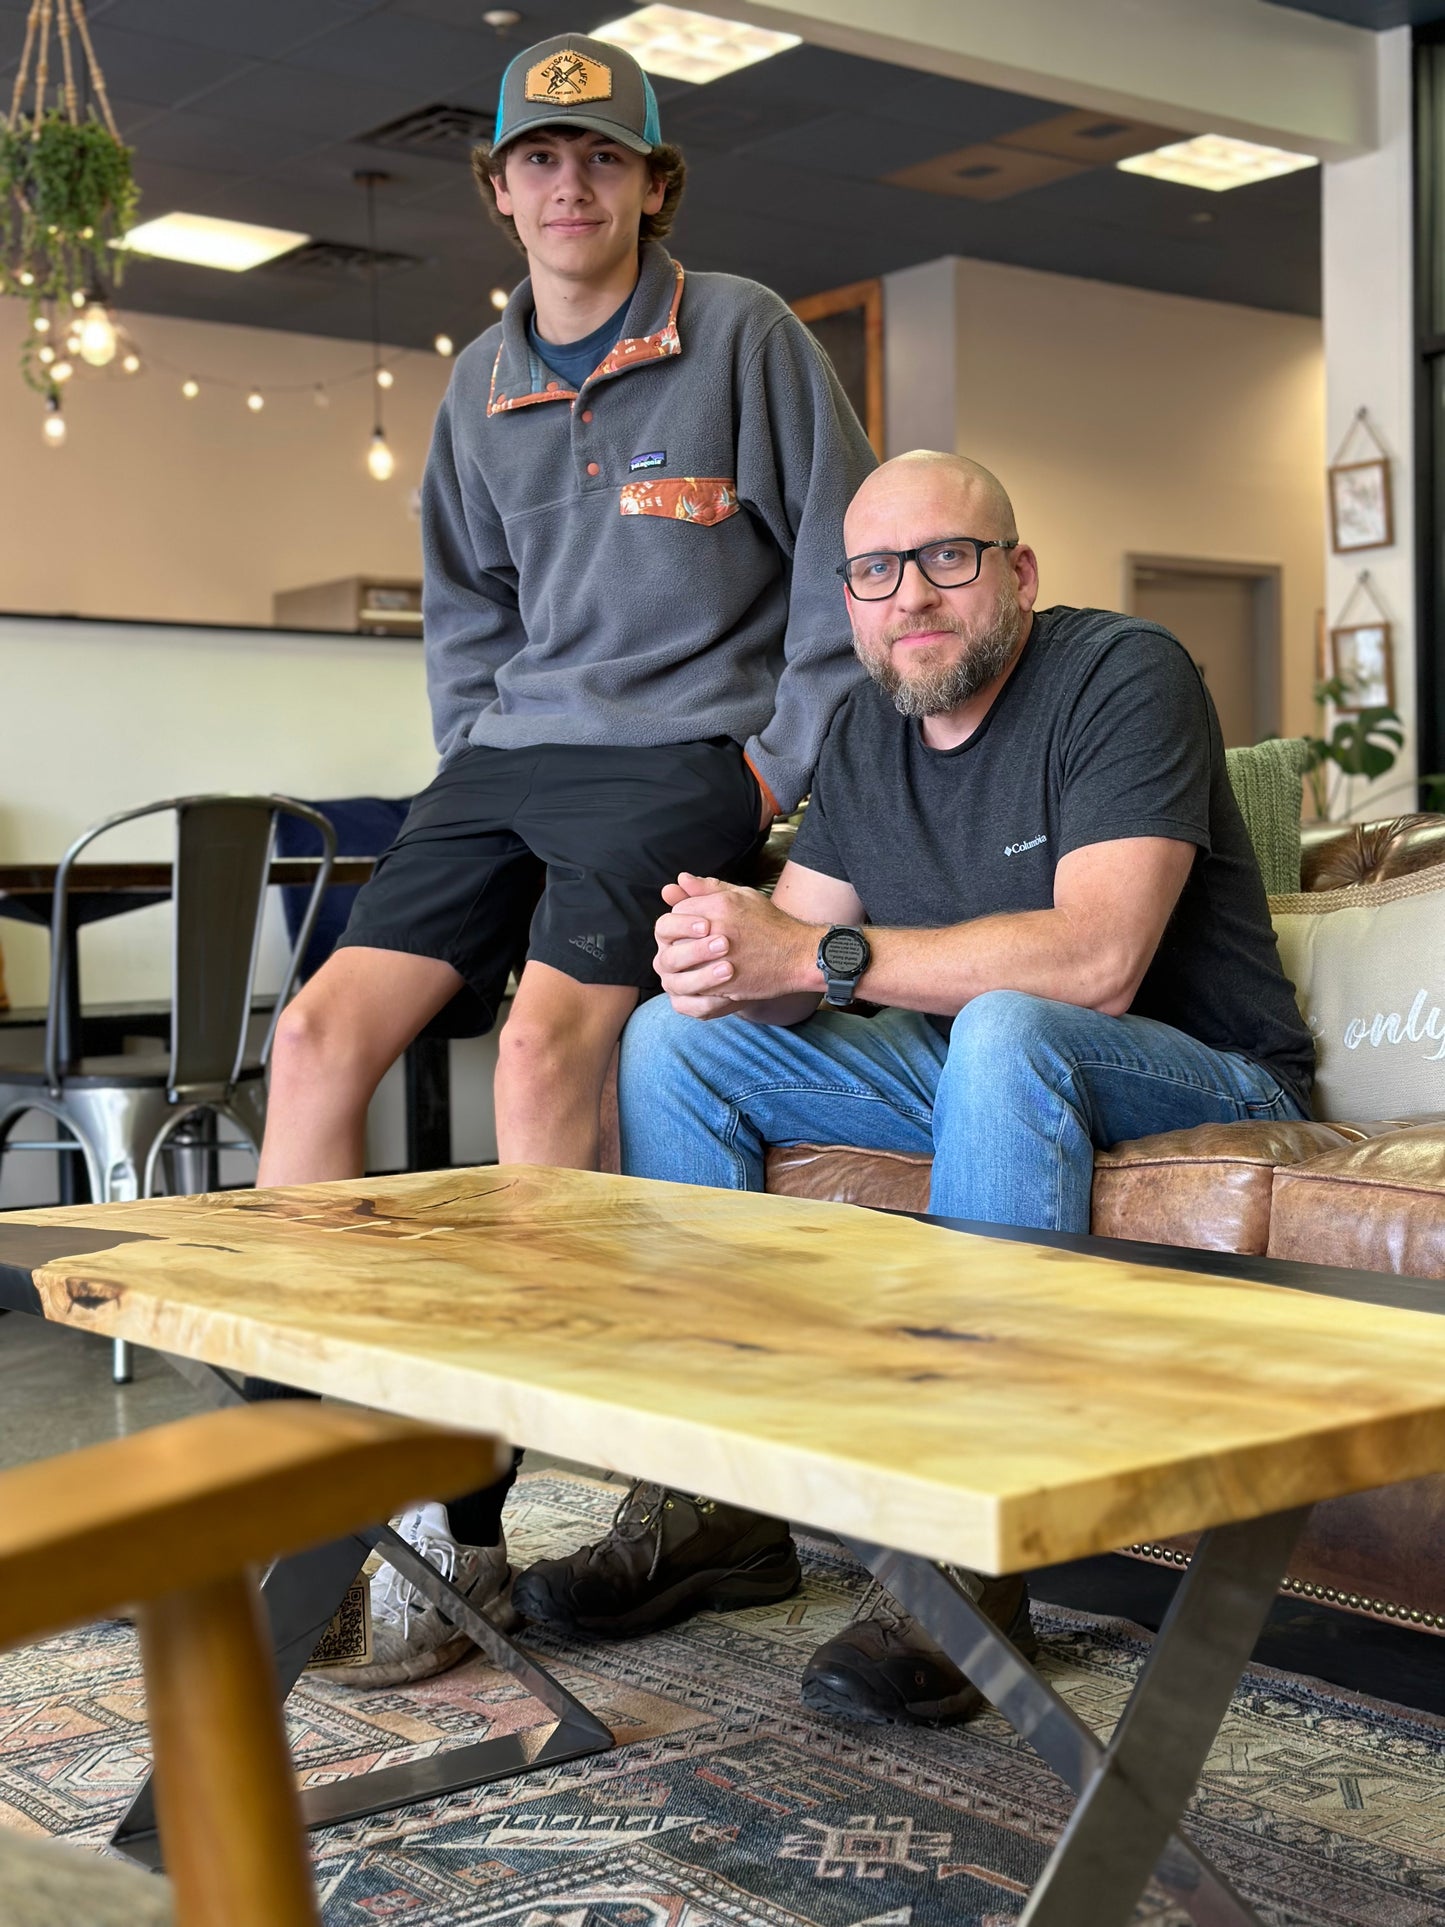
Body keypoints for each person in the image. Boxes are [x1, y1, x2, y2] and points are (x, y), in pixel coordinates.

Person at [256, 32, 876, 1687]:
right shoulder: (479, 379)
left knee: (543, 1047)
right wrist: (474, 747)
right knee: (316, 1040)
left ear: (652, 185)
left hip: (683, 756)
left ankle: (488, 1516)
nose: (569, 184)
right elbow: (467, 604)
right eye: (539, 158)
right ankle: (322, 1493)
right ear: (502, 191)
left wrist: (770, 762)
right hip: (513, 753)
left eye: (602, 159)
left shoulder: (741, 331)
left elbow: (841, 562)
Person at [527, 448, 1315, 1725]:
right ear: (849, 597)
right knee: (678, 1038)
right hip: (980, 1071)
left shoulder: (1122, 674)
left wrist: (819, 954)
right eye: (878, 571)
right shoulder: (863, 728)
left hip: (1203, 1077)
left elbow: (1099, 961)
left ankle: (964, 1552)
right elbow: (790, 959)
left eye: (947, 559)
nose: (913, 597)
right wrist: (726, 950)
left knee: (1013, 1021)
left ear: (1016, 572)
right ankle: (719, 1506)